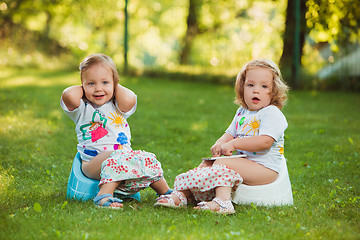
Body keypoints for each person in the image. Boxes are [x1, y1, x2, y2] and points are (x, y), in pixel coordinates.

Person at [155, 59, 289, 214]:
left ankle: (223, 202)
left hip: (265, 169)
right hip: (245, 163)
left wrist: (234, 144)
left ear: (274, 92)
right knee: (207, 163)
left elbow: (265, 142)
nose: (256, 91)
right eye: (250, 85)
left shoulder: (271, 113)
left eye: (264, 86)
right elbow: (229, 134)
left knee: (222, 163)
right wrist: (220, 143)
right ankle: (183, 195)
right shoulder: (242, 112)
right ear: (242, 87)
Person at [61, 53, 171, 209]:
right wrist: (85, 88)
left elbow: (130, 99)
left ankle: (166, 193)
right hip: (92, 165)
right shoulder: (82, 108)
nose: (98, 88)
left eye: (105, 82)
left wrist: (114, 84)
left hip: (124, 159)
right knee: (116, 157)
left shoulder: (118, 106)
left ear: (115, 84)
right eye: (91, 83)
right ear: (82, 85)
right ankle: (103, 196)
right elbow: (68, 95)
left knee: (148, 158)